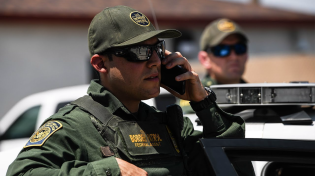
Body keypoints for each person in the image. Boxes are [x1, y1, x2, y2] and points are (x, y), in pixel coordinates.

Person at [7, 6, 254, 176]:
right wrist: (108, 171)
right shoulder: (74, 126)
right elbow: (21, 172)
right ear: (100, 64)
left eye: (157, 49)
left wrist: (204, 102)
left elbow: (233, 167)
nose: (154, 61)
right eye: (138, 52)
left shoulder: (173, 126)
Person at [180, 18, 249, 113]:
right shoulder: (195, 94)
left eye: (240, 48)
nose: (234, 57)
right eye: (222, 50)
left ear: (246, 55)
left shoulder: (257, 95)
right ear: (204, 59)